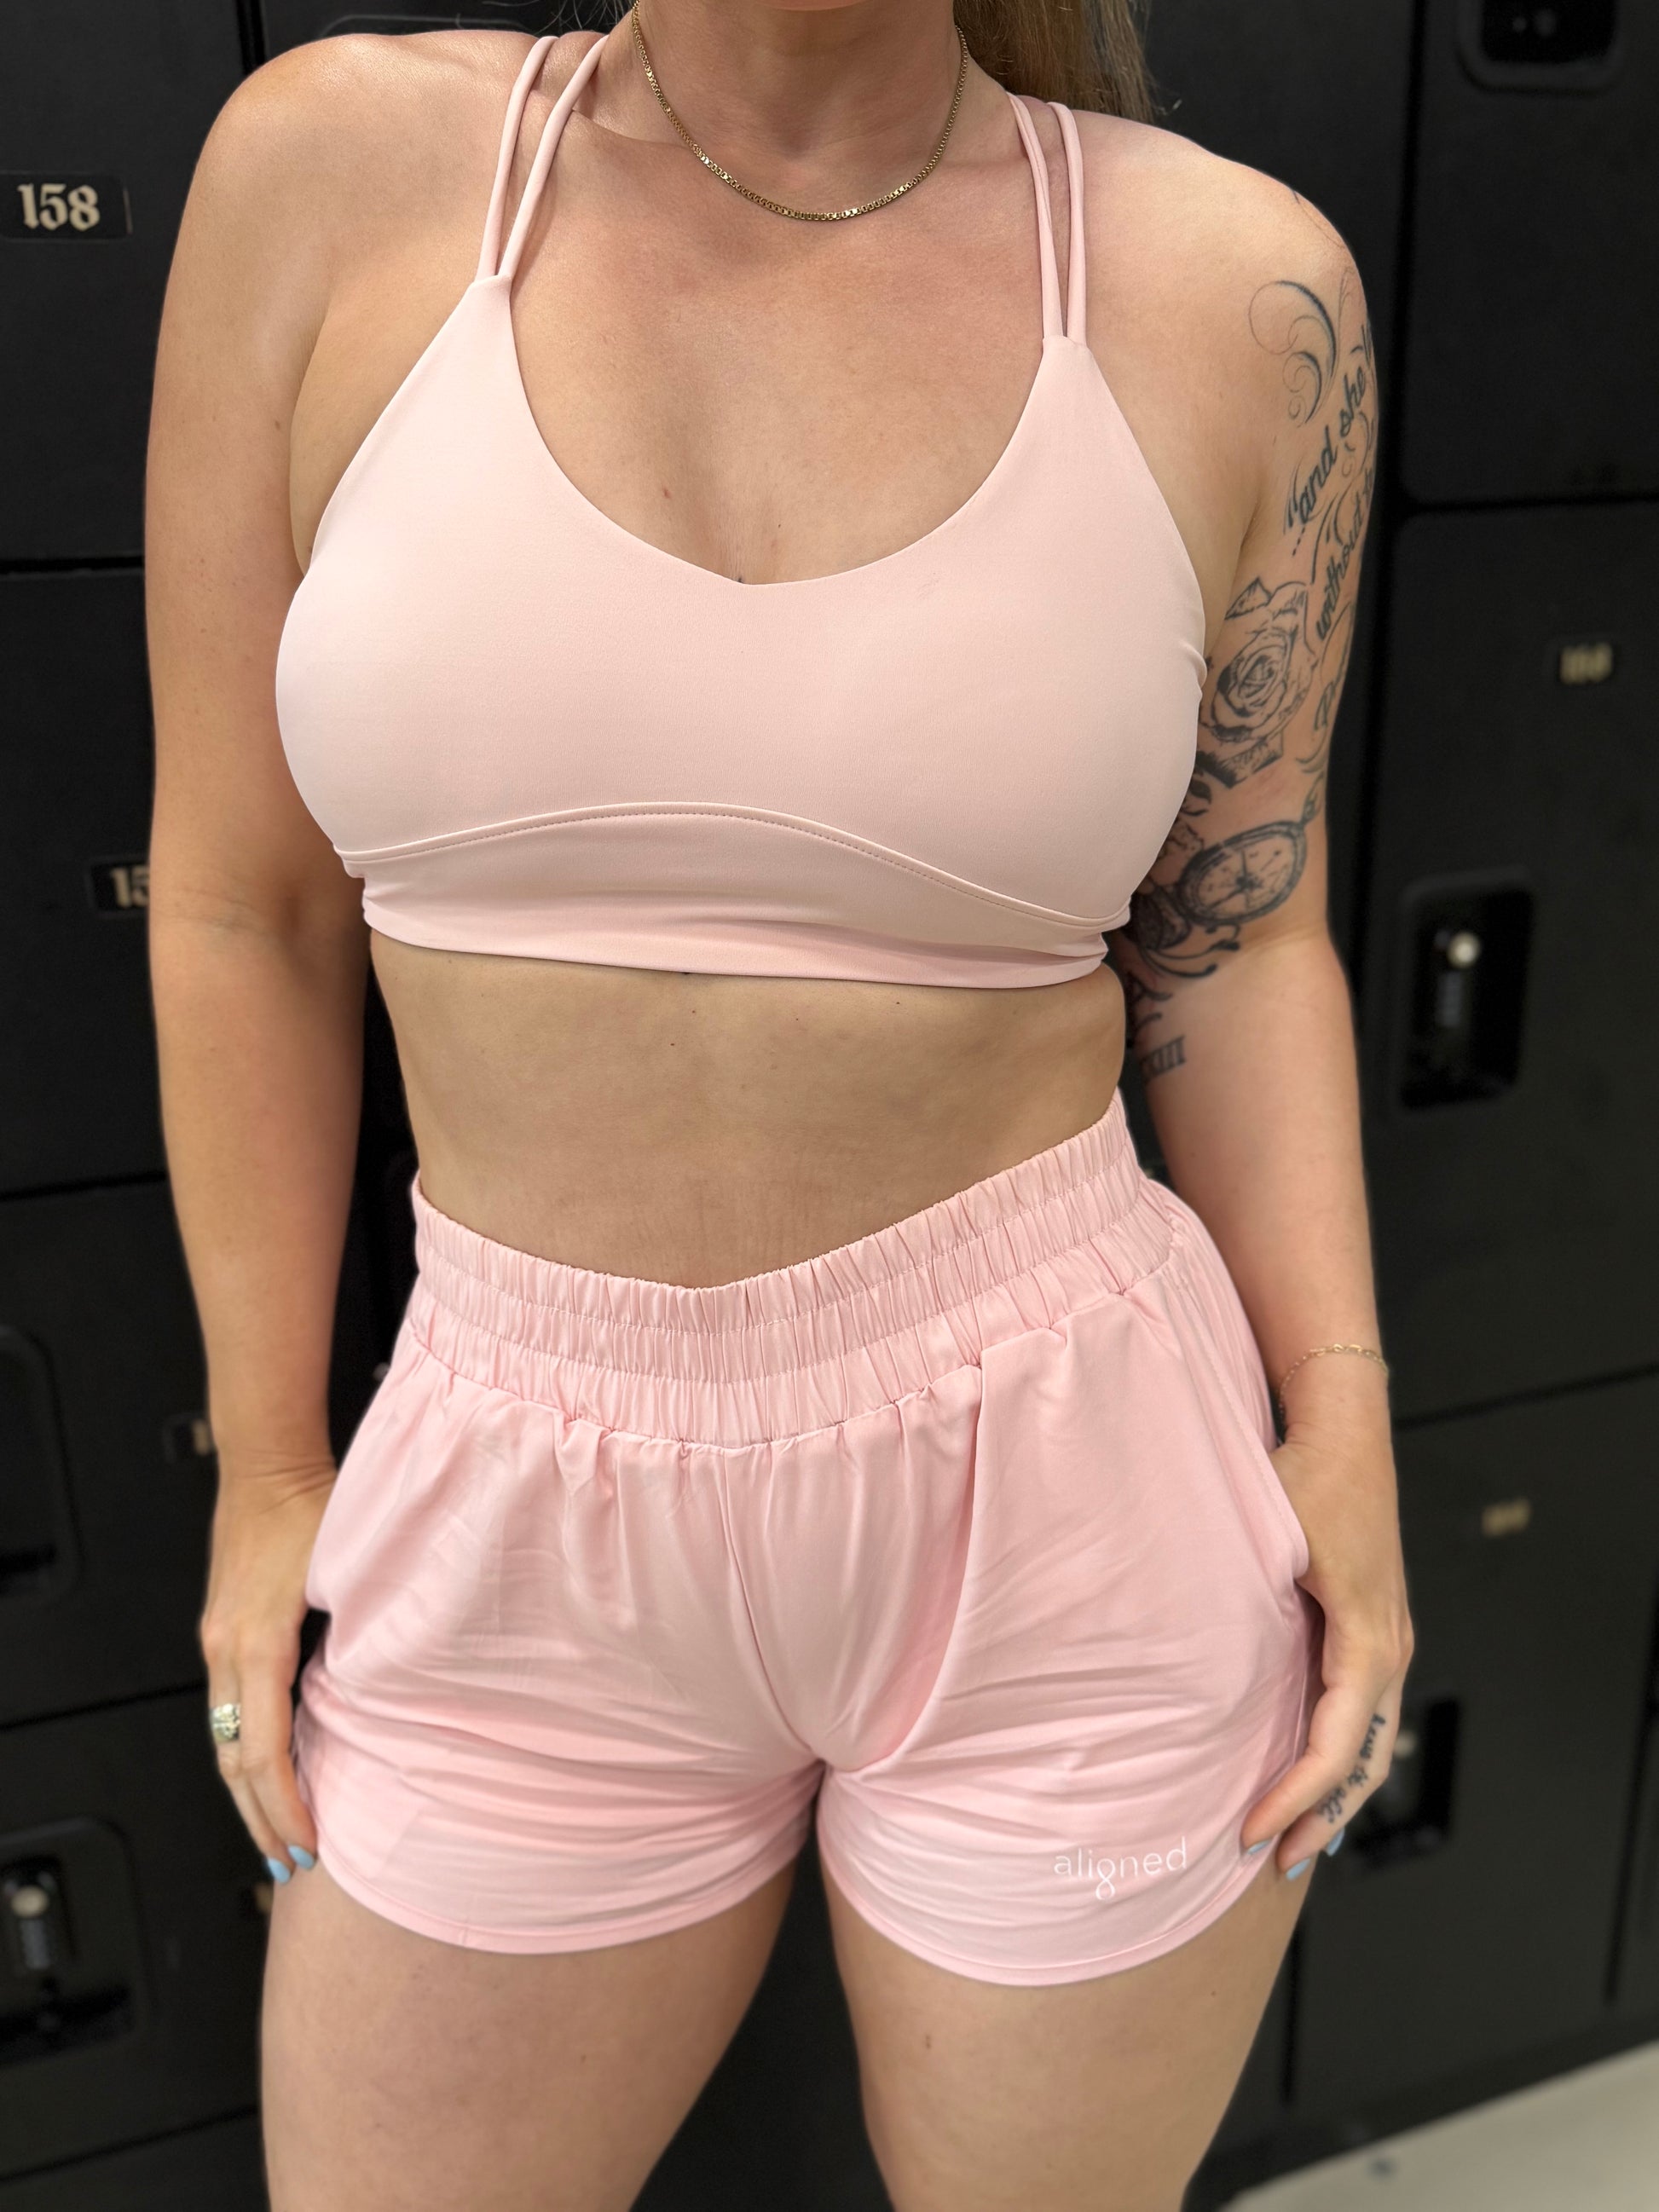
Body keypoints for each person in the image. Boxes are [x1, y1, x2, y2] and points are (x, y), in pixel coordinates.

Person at [144, 2, 1412, 2204]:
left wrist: (1345, 1416)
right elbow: (243, 904)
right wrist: (266, 1467)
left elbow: (1237, 933)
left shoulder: (1237, 290)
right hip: (511, 1474)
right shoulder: (329, 174)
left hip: (1073, 1488)